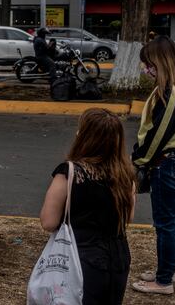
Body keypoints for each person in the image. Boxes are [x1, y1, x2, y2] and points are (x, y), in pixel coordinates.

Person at [40, 108, 136, 304]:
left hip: (79, 256)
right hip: (117, 256)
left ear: (85, 136)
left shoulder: (70, 172)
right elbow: (128, 218)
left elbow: (48, 222)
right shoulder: (126, 175)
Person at [131, 35, 175, 295]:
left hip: (168, 164)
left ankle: (163, 281)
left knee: (166, 224)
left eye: (148, 64)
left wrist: (138, 161)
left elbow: (158, 134)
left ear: (159, 62)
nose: (146, 69)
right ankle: (169, 270)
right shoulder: (172, 87)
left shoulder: (170, 91)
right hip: (173, 162)